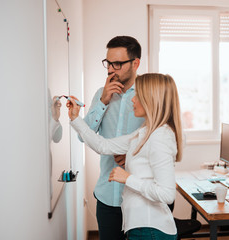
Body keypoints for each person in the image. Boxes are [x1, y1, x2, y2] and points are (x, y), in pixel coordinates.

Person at [68, 73, 182, 240]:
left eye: (138, 95)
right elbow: (103, 145)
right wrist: (75, 119)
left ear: (151, 100)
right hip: (141, 227)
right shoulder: (145, 132)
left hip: (151, 231)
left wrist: (128, 178)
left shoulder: (160, 137)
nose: (132, 100)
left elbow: (167, 194)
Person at [80, 36, 145, 239]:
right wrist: (103, 102)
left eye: (117, 64)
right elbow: (85, 136)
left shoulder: (148, 94)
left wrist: (133, 156)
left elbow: (163, 137)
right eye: (108, 63)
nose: (110, 70)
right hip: (107, 197)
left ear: (135, 63)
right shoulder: (101, 94)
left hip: (141, 198)